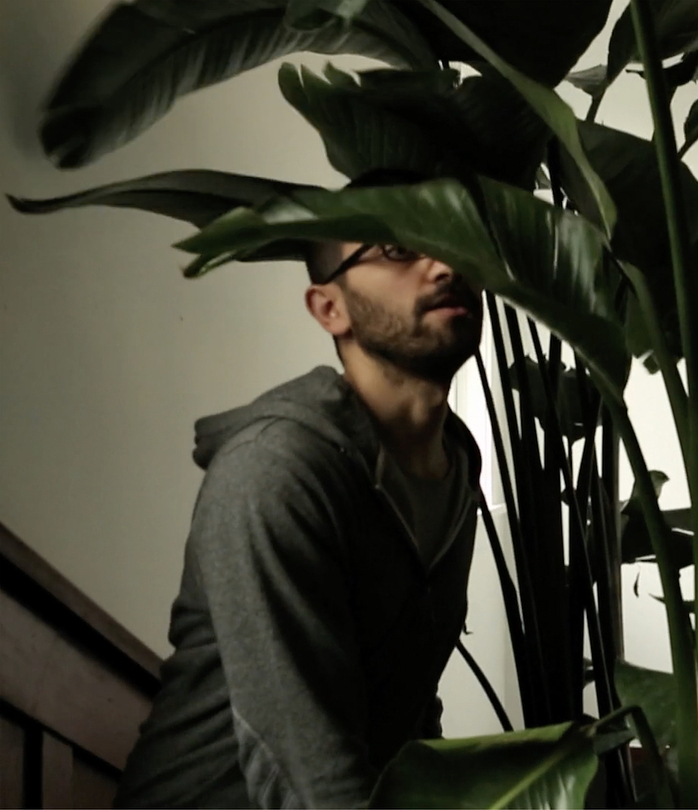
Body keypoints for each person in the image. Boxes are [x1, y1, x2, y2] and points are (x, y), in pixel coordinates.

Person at [115, 188, 486, 808]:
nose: (443, 265)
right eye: (396, 249)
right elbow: (302, 767)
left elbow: (410, 705)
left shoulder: (457, 469)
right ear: (329, 308)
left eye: (455, 241)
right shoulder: (275, 468)